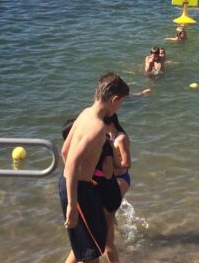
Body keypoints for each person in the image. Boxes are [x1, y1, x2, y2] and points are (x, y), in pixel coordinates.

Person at [60, 73, 129, 263]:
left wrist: (75, 179)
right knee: (90, 252)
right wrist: (73, 204)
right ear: (114, 99)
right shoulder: (97, 127)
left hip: (78, 186)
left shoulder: (85, 113)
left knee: (88, 247)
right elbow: (72, 162)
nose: (119, 107)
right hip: (79, 190)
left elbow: (65, 151)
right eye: (121, 102)